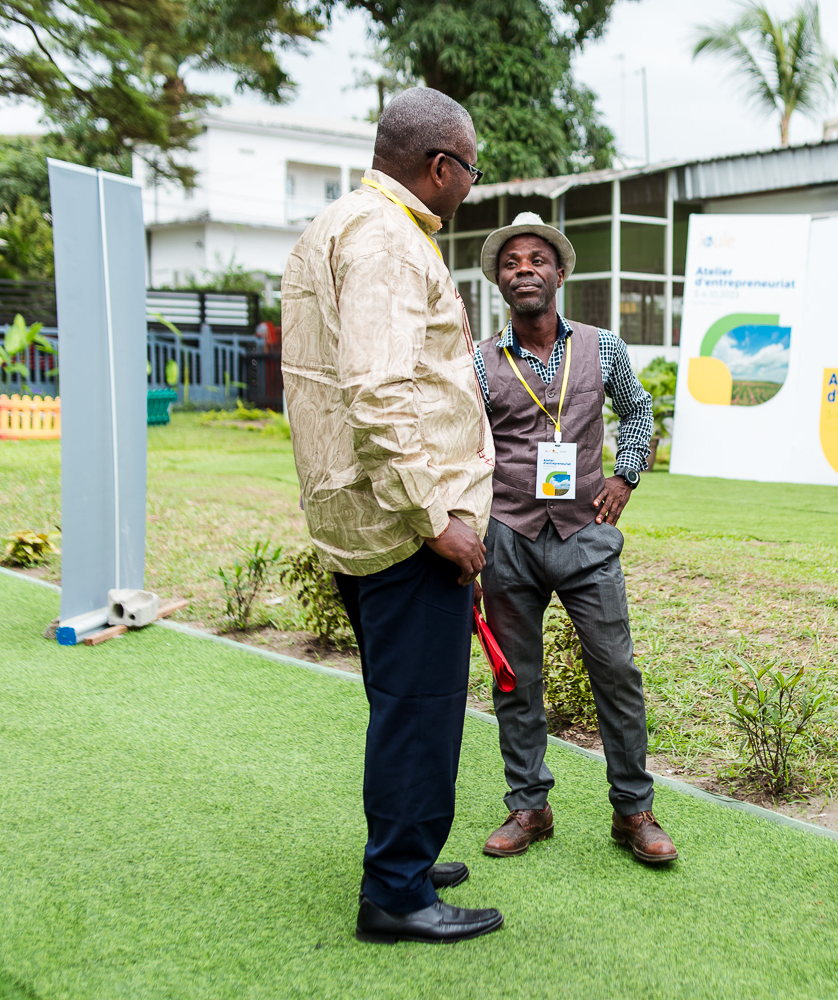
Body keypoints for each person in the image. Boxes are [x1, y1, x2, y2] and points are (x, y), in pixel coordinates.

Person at [281, 87, 504, 944]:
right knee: (422, 707)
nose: (469, 188)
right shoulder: (388, 242)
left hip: (358, 517)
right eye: (470, 171)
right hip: (405, 525)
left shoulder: (337, 225)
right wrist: (434, 517)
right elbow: (378, 391)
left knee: (398, 701)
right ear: (440, 166)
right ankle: (398, 893)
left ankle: (405, 850)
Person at [473, 212, 678, 865]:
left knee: (616, 670)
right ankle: (528, 806)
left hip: (586, 531)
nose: (524, 269)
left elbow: (639, 409)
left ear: (560, 273)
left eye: (536, 259)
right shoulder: (480, 361)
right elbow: (465, 443)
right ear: (500, 282)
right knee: (515, 678)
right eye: (511, 263)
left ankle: (633, 811)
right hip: (508, 532)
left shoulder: (604, 347)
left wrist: (626, 473)